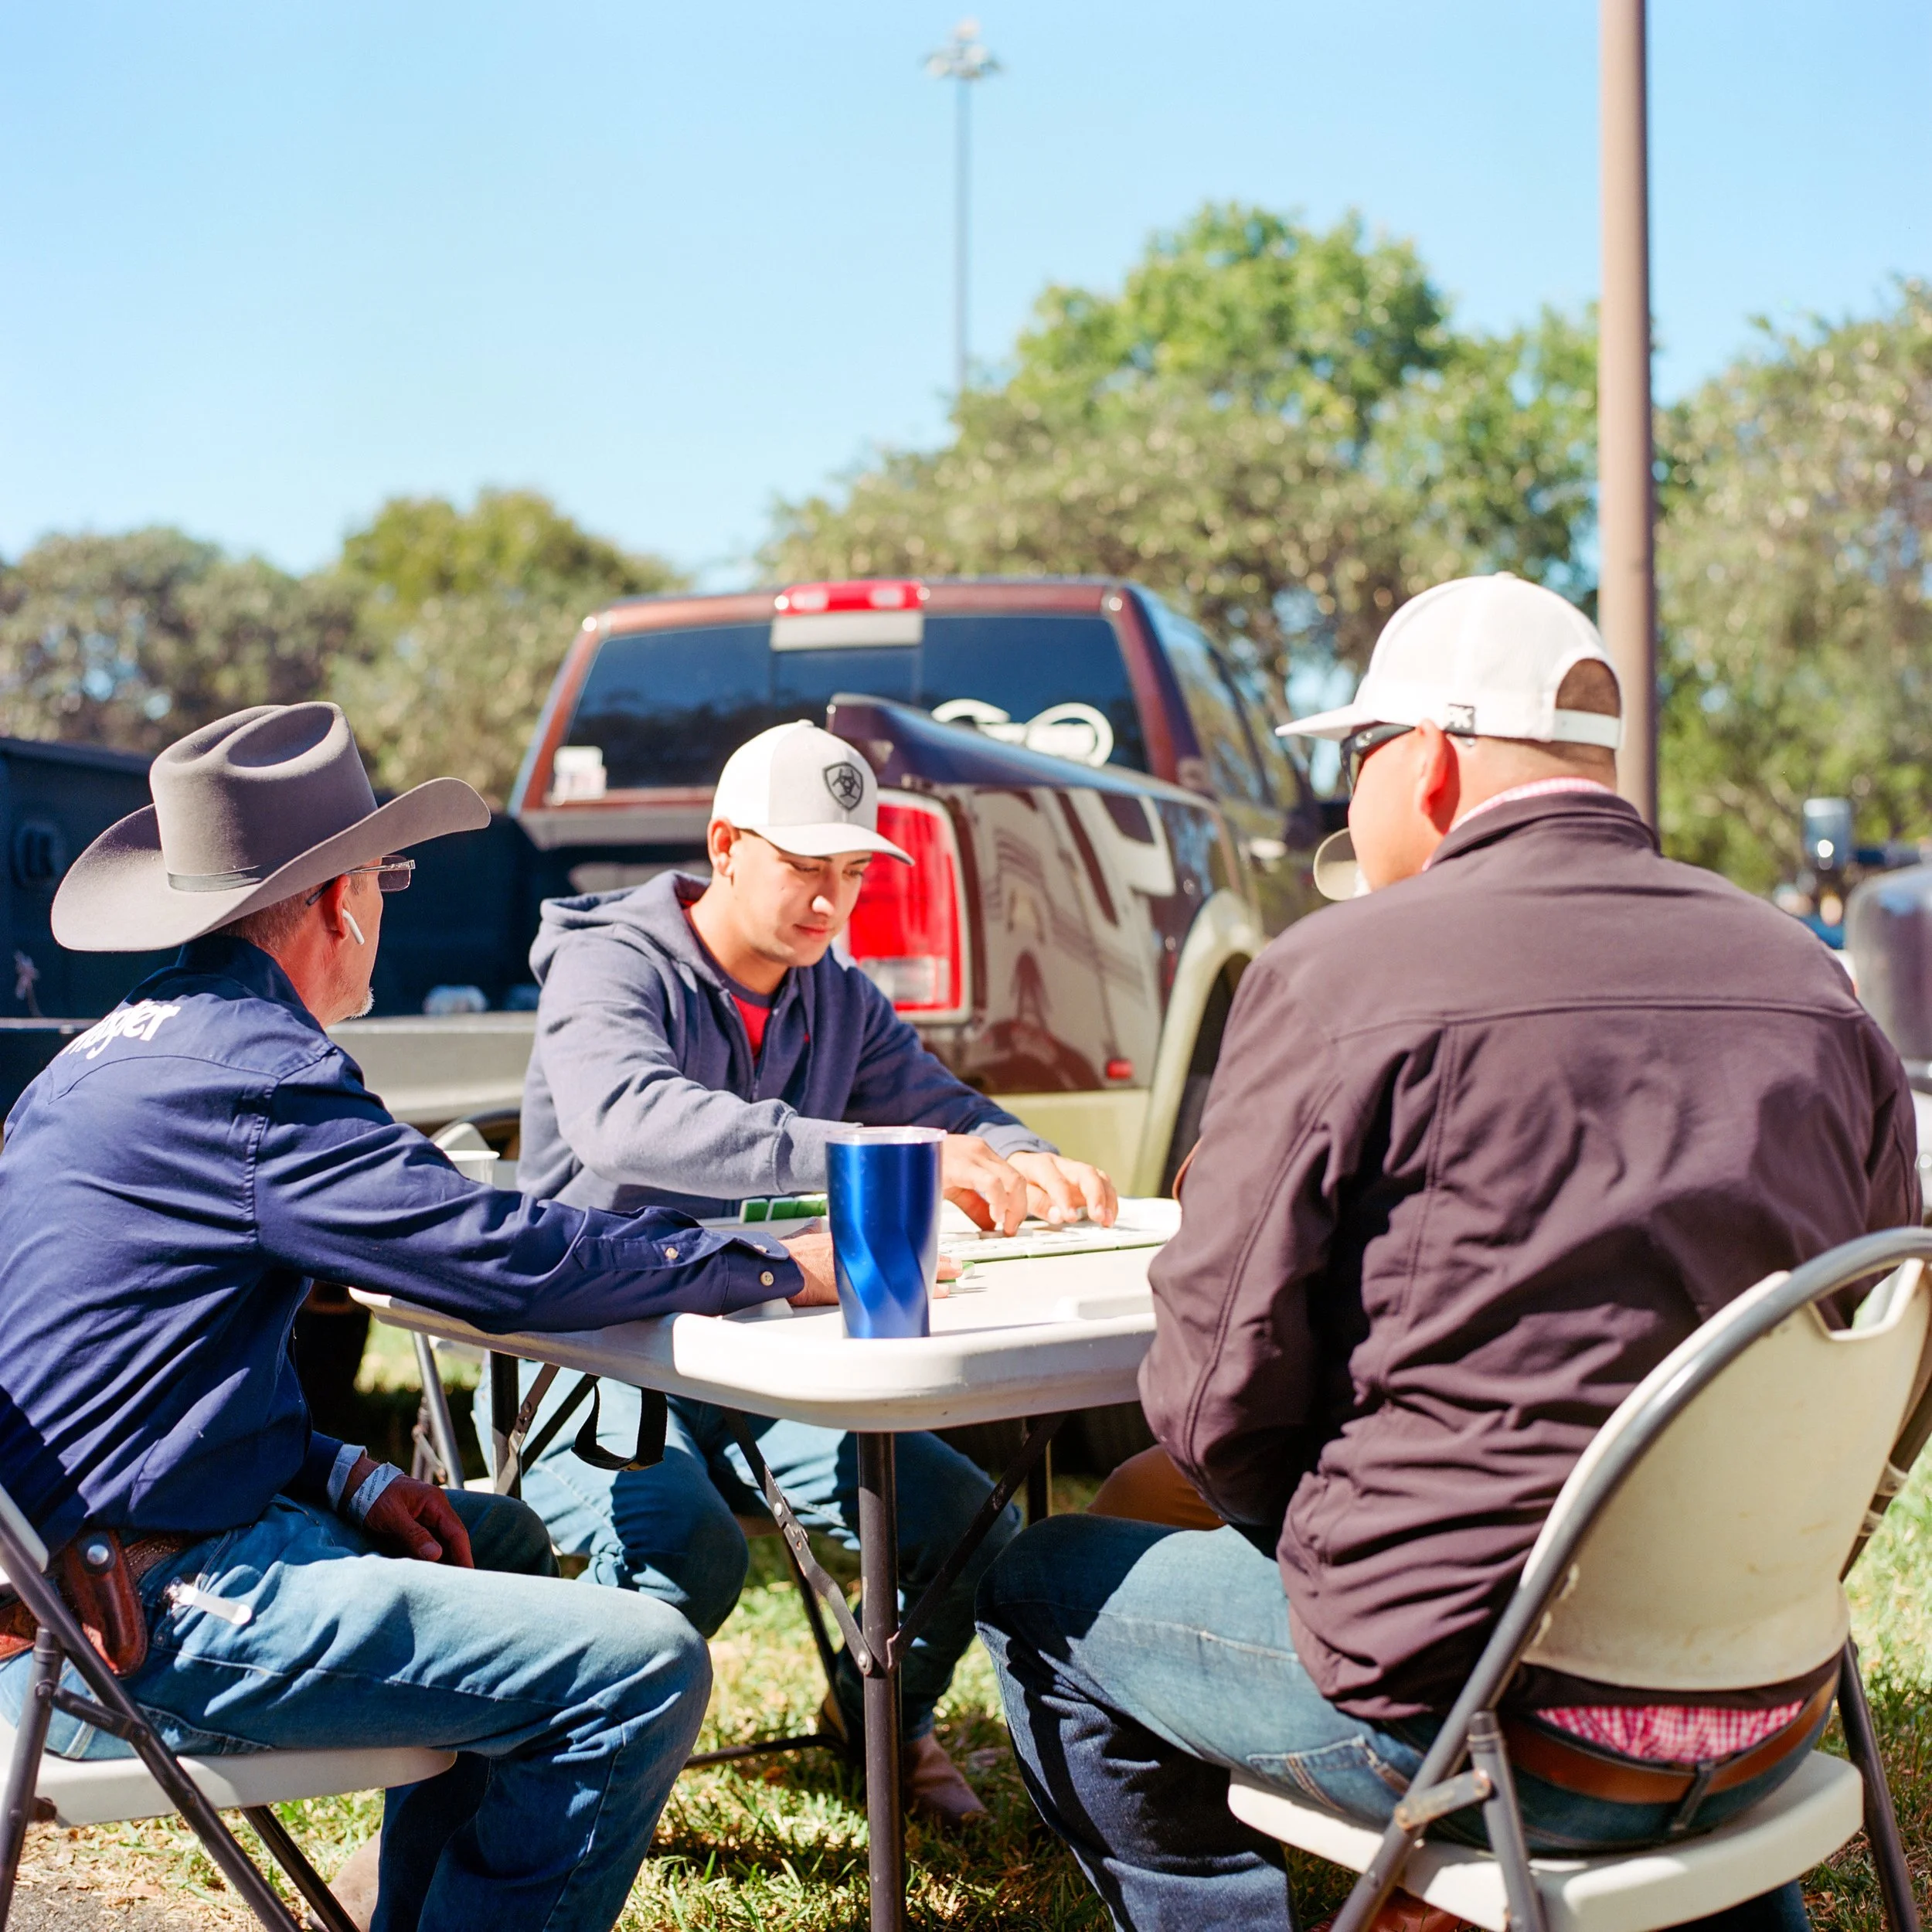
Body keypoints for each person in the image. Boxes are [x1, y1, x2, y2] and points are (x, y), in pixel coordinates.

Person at [973, 573, 1919, 1932]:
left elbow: (1209, 1402)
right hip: (1773, 1703)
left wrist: (1349, 1542)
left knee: (1040, 1587)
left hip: (1481, 1735)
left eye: (1353, 759)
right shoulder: (1810, 983)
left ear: (1424, 762)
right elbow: (1882, 1353)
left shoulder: (1344, 973)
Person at [0, 703, 842, 1932]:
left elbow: (131, 1368)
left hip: (72, 1575)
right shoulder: (259, 1076)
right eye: (385, 877)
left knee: (488, 1534)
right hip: (134, 1629)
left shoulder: (113, 1054)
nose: (385, 904)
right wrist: (769, 1265)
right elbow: (493, 1256)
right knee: (641, 1668)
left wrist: (343, 1472)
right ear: (340, 900)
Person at [509, 719, 1118, 1823]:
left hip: (755, 1340)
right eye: (803, 868)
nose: (830, 905)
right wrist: (876, 1153)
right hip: (586, 1343)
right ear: (725, 843)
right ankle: (525, 1792)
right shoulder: (610, 962)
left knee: (966, 1525)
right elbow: (624, 1124)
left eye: (850, 873)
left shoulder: (835, 995)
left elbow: (946, 1111)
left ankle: (876, 1723)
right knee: (683, 1551)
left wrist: (1030, 1159)